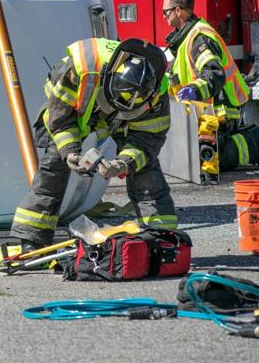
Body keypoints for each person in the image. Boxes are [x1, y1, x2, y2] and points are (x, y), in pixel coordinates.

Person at [10, 37, 177, 251]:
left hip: (123, 118)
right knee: (54, 166)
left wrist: (124, 163)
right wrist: (70, 152)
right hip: (75, 107)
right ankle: (32, 241)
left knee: (146, 169)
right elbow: (60, 119)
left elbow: (147, 140)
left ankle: (162, 238)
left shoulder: (157, 92)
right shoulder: (82, 67)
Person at [162, 0, 254, 172]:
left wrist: (194, 90)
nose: (164, 16)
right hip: (202, 115)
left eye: (166, 11)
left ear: (178, 11)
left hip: (220, 114)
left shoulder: (199, 38)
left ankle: (253, 142)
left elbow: (214, 74)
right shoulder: (186, 39)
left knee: (205, 159)